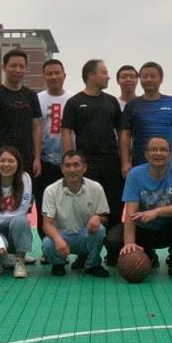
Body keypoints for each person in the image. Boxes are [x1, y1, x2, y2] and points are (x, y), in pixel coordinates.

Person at [106, 136, 172, 279]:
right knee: (113, 240)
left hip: (168, 229)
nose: (158, 153)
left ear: (170, 154)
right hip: (143, 229)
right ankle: (147, 253)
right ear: (146, 154)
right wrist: (129, 243)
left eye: (163, 150)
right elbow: (130, 212)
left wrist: (157, 212)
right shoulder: (135, 174)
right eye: (153, 149)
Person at [62, 59, 125, 247]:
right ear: (91, 75)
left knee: (114, 207)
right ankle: (84, 253)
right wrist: (71, 163)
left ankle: (113, 251)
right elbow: (66, 132)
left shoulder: (111, 101)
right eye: (104, 72)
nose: (108, 76)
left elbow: (122, 132)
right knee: (85, 210)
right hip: (86, 165)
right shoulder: (74, 102)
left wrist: (125, 161)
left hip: (111, 163)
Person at [40, 150, 110, 278]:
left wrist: (98, 217)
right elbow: (47, 224)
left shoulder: (96, 188)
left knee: (100, 230)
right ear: (62, 169)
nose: (72, 169)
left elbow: (105, 218)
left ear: (84, 167)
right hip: (62, 236)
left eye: (76, 165)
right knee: (48, 244)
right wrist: (57, 239)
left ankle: (92, 264)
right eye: (67, 165)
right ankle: (58, 264)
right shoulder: (51, 190)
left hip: (85, 234)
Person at [120, 62, 172, 175]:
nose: (148, 79)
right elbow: (125, 134)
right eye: (145, 76)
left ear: (161, 79)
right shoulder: (132, 105)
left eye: (152, 76)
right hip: (141, 164)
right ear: (140, 79)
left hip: (171, 164)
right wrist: (125, 162)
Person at [0, 49, 42, 180]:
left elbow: (36, 128)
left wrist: (37, 158)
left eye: (21, 66)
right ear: (4, 67)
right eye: (13, 66)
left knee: (25, 191)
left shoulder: (31, 95)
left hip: (26, 159)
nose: (18, 70)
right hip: (3, 159)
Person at [0, 146, 34, 278]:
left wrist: (4, 219)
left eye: (11, 161)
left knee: (22, 221)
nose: (6, 165)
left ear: (18, 164)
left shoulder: (25, 179)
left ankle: (19, 261)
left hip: (13, 227)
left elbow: (22, 211)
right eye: (2, 161)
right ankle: (3, 259)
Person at [36, 59, 72, 237]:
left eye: (57, 73)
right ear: (44, 76)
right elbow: (34, 129)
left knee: (67, 205)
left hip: (68, 162)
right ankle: (46, 243)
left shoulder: (73, 99)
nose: (54, 77)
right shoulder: (37, 99)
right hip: (43, 161)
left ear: (64, 75)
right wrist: (36, 158)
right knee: (43, 204)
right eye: (49, 74)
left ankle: (68, 241)